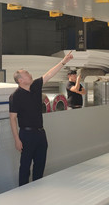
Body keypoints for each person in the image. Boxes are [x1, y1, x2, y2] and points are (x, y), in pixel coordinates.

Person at [9, 52, 74, 186]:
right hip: (26, 134)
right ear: (20, 80)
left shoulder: (35, 87)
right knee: (25, 166)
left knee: (40, 163)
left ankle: (37, 188)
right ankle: (23, 190)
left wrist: (64, 61)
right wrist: (17, 139)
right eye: (26, 73)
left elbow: (49, 74)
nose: (30, 75)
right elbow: (12, 118)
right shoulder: (15, 96)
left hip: (40, 133)